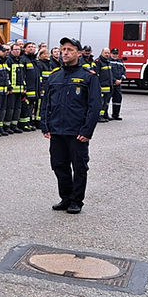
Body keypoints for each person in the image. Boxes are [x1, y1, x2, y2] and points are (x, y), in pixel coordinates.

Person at [40, 37, 102, 215]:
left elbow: (94, 106)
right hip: (57, 131)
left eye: (69, 49)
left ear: (79, 53)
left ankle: (76, 200)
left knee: (79, 166)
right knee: (59, 165)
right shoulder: (54, 76)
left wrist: (87, 131)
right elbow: (46, 104)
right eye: (62, 49)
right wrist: (45, 126)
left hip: (77, 132)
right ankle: (65, 197)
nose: (65, 52)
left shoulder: (88, 77)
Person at [20, 42, 40, 130]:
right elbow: (22, 75)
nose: (32, 48)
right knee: (25, 106)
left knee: (30, 106)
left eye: (33, 47)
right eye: (29, 47)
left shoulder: (34, 60)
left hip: (34, 88)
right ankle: (23, 124)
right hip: (27, 88)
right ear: (25, 49)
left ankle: (28, 122)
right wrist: (24, 87)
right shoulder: (23, 59)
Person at [6, 44, 25, 134]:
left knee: (17, 109)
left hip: (20, 89)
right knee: (10, 108)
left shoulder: (20, 60)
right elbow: (7, 75)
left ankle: (14, 125)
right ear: (11, 50)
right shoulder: (8, 60)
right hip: (12, 90)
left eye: (19, 49)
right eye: (16, 49)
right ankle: (7, 126)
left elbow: (22, 76)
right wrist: (9, 86)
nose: (17, 51)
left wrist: (24, 86)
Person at [94, 48, 114, 122]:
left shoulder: (108, 61)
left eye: (108, 53)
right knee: (101, 102)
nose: (107, 54)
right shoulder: (98, 62)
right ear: (102, 53)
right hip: (102, 86)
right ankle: (99, 116)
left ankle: (105, 114)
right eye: (105, 53)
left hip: (109, 85)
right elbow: (96, 75)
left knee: (106, 102)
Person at [109, 48, 125, 120]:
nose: (115, 55)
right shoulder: (108, 61)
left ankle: (116, 115)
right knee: (107, 100)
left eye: (116, 54)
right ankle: (105, 115)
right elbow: (108, 73)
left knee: (118, 99)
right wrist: (114, 80)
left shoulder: (120, 61)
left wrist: (121, 79)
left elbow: (123, 71)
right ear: (111, 54)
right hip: (110, 83)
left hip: (118, 84)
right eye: (113, 54)